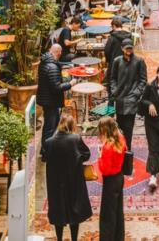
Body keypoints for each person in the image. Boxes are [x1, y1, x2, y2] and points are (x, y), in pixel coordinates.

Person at [43, 112, 93, 241]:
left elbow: (44, 157)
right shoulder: (75, 139)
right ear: (72, 125)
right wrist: (76, 159)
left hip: (56, 182)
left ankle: (59, 238)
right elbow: (86, 154)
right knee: (74, 210)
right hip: (73, 180)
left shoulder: (49, 142)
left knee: (58, 210)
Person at [107, 39, 147, 150]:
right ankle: (121, 150)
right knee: (119, 127)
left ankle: (127, 150)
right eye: (127, 48)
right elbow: (112, 78)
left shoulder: (139, 61)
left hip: (131, 100)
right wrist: (114, 90)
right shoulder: (117, 61)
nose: (129, 50)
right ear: (122, 48)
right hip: (119, 99)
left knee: (128, 129)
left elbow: (143, 80)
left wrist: (136, 94)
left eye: (130, 48)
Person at [37, 44, 74, 159]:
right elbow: (56, 87)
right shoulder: (52, 67)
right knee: (50, 127)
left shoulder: (45, 61)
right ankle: (46, 153)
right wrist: (70, 84)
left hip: (47, 99)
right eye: (60, 52)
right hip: (51, 101)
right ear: (59, 52)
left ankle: (45, 150)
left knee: (49, 126)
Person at [97, 117, 127, 241]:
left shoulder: (107, 147)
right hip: (119, 177)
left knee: (107, 214)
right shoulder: (121, 138)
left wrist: (100, 156)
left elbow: (105, 170)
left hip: (110, 181)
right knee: (118, 211)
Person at [104, 17, 132, 86]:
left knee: (113, 83)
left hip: (114, 63)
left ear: (114, 26)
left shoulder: (112, 37)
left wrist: (108, 61)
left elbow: (107, 51)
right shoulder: (128, 36)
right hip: (127, 62)